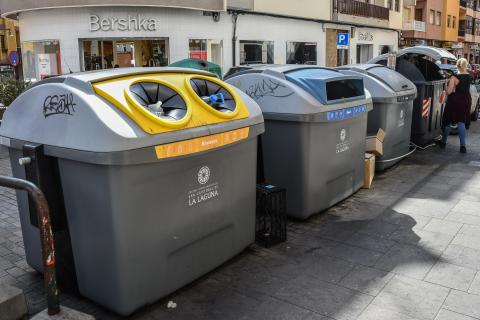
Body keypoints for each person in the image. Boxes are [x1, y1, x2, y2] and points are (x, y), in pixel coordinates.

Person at [438, 58, 472, 153]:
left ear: (457, 66)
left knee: (449, 121)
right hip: (466, 100)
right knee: (461, 122)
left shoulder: (454, 77)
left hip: (455, 101)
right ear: (465, 66)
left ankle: (443, 142)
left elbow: (449, 92)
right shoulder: (469, 76)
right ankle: (463, 147)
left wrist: (446, 83)